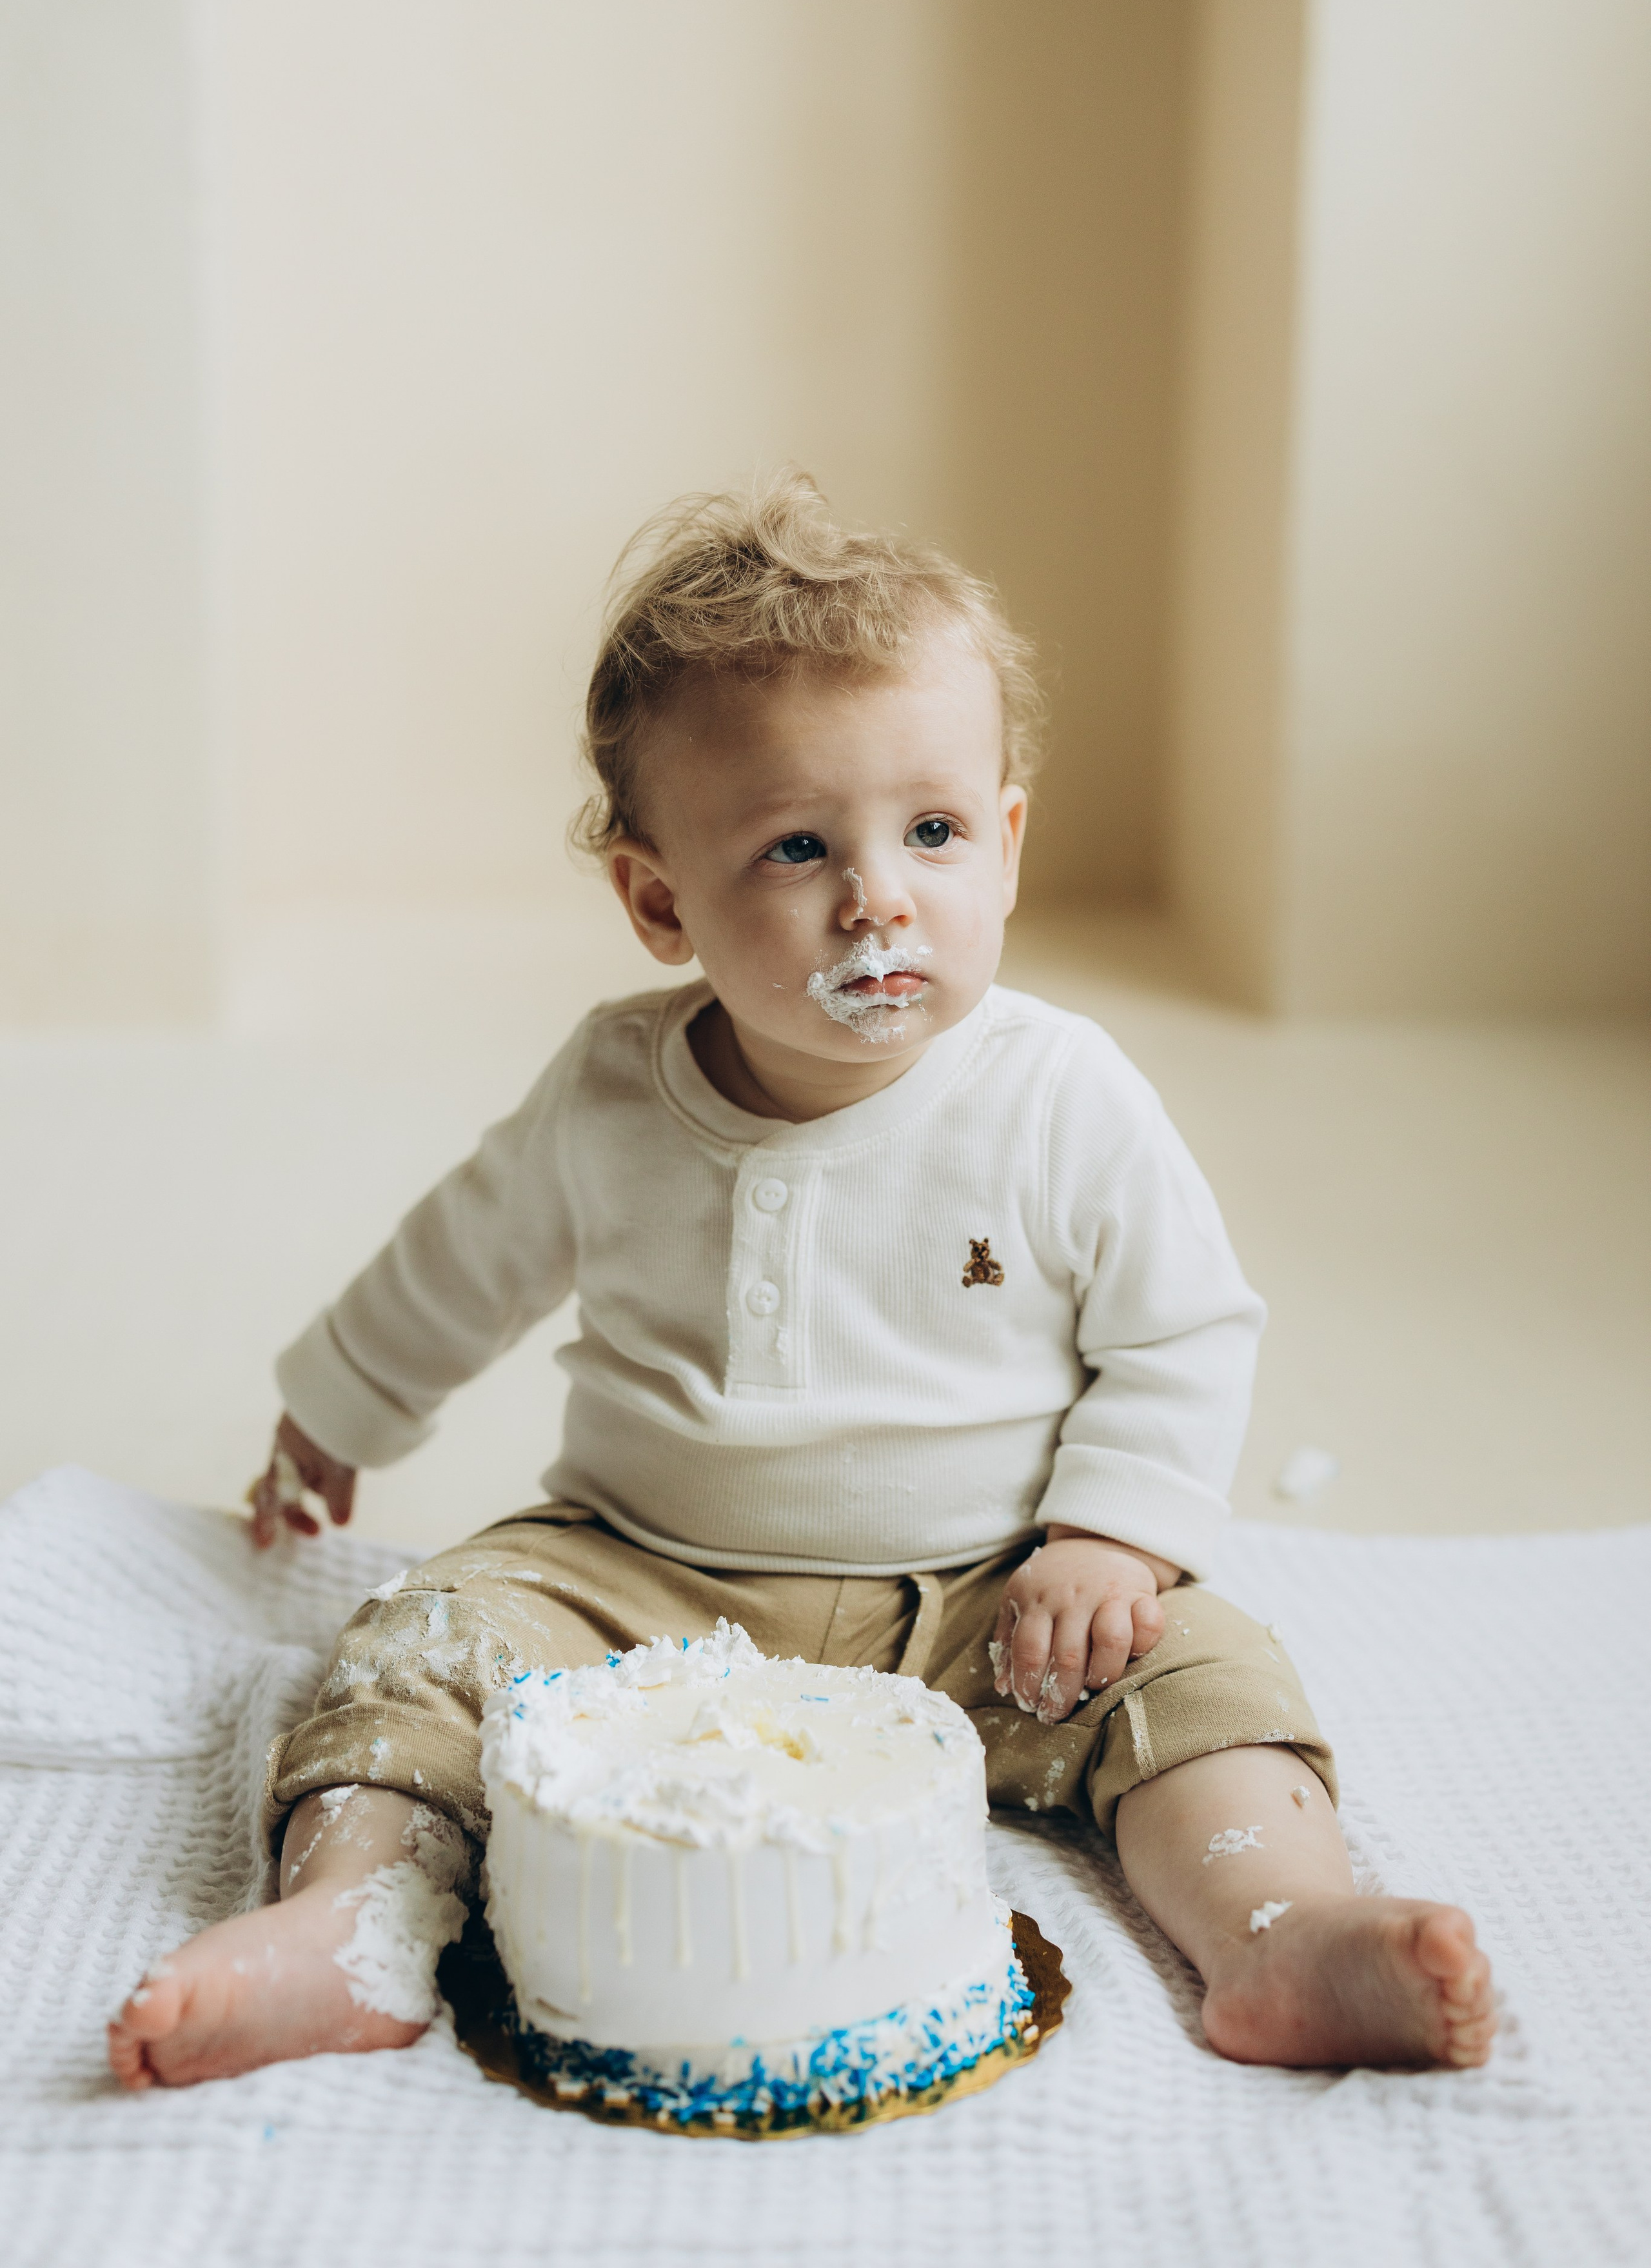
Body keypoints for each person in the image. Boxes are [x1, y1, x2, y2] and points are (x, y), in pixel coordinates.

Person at [108, 477, 1496, 2092]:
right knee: (420, 1644)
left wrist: (1109, 1535)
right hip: (637, 1581)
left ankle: (1279, 1929)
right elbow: (462, 1256)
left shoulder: (1059, 1095)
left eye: (930, 832)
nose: (875, 898)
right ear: (657, 901)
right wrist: (336, 1409)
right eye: (792, 846)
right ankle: (348, 1930)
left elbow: (1182, 1327)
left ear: (1007, 839)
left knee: (1203, 1680)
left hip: (992, 1600)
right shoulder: (612, 1092)